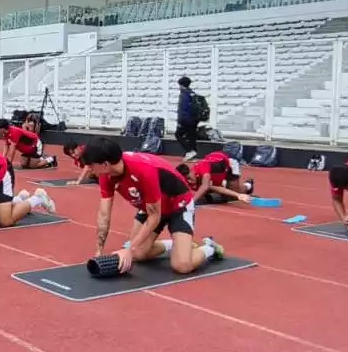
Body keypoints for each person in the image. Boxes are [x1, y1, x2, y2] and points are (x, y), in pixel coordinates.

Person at [81, 137, 224, 275]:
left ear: (105, 164)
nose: (89, 169)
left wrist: (130, 248)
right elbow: (104, 214)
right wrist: (99, 251)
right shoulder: (106, 175)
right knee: (138, 254)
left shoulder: (143, 169)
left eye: (91, 165)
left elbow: (155, 217)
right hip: (150, 206)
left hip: (178, 206)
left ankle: (209, 247)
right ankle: (172, 245)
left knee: (182, 265)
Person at [177, 151, 254, 204]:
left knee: (234, 195)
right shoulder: (188, 181)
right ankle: (223, 183)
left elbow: (205, 187)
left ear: (191, 171)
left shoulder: (202, 166)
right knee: (207, 191)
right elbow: (212, 187)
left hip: (229, 161)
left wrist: (238, 195)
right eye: (186, 180)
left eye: (189, 178)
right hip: (216, 171)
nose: (189, 181)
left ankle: (248, 185)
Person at [175, 76, 200, 162]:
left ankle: (190, 151)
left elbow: (183, 109)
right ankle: (193, 155)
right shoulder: (192, 93)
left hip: (186, 120)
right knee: (191, 136)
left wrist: (180, 121)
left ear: (181, 85)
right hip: (194, 119)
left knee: (178, 134)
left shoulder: (183, 94)